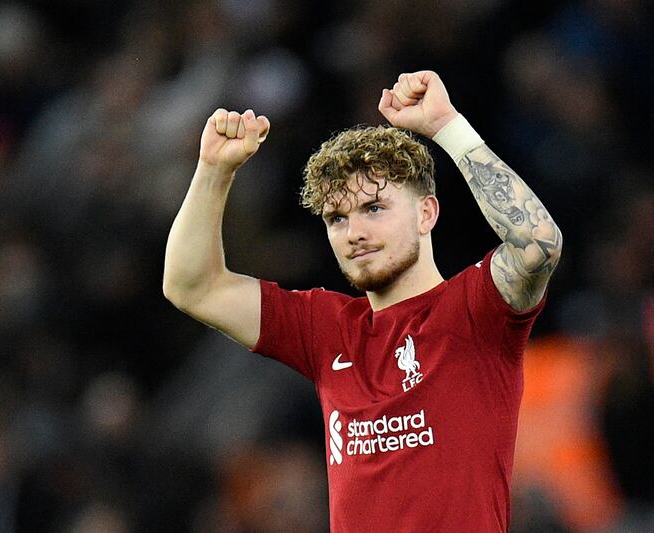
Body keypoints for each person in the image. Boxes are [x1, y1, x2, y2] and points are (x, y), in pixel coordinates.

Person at [163, 70, 562, 532]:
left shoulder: (476, 310)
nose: (354, 234)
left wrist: (447, 126)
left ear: (426, 213)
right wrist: (214, 171)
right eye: (336, 218)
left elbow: (539, 244)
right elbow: (192, 286)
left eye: (374, 208)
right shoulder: (325, 327)